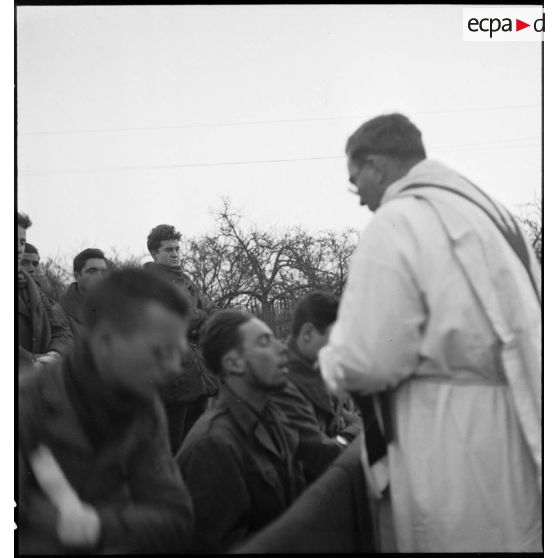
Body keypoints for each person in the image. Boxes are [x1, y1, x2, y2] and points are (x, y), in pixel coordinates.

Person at [318, 113, 541, 552]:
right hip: (516, 417)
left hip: (447, 437)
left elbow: (369, 360)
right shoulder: (492, 215)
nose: (359, 198)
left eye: (354, 179)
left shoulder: (397, 222)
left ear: (375, 165)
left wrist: (329, 361)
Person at [18, 268, 195, 554]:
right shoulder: (22, 409)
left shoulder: (143, 404)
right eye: (162, 352)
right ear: (105, 341)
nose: (175, 368)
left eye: (180, 352)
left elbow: (175, 518)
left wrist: (96, 526)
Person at [176, 310, 338, 553]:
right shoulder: (212, 444)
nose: (282, 348)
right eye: (264, 342)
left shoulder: (272, 416)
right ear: (233, 363)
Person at [144, 224, 218, 453]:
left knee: (196, 444)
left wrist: (206, 318)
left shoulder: (186, 281)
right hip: (171, 378)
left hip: (197, 375)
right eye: (169, 250)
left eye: (177, 249)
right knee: (173, 447)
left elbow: (214, 314)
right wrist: (201, 317)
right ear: (155, 254)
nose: (175, 254)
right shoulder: (148, 283)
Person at [282, 291, 360, 442]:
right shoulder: (285, 383)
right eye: (335, 340)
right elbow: (320, 453)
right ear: (308, 334)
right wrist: (357, 429)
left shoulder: (315, 373)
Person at [17, 212, 71, 370]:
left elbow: (61, 330)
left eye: (21, 242)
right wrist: (31, 361)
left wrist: (54, 354)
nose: (18, 248)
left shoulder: (32, 288)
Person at [55, 248, 108, 343]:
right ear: (77, 276)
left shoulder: (115, 309)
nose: (100, 277)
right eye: (92, 271)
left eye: (103, 272)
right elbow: (65, 351)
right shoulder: (60, 313)